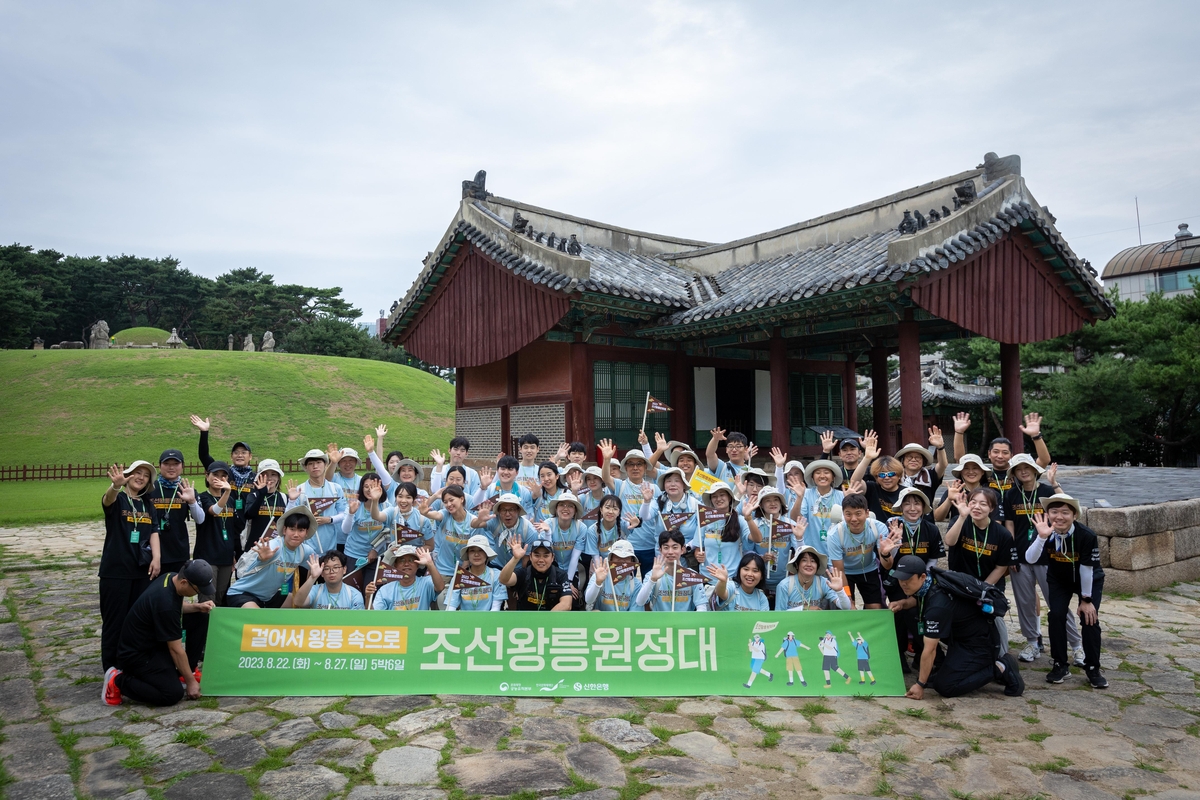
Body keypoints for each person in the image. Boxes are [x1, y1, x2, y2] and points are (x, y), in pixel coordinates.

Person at [890, 555, 1024, 699]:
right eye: (900, 579)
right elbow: (919, 599)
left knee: (945, 686)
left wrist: (920, 684)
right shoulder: (932, 579)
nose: (903, 583)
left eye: (908, 580)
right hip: (960, 636)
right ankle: (943, 666)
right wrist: (903, 603)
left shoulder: (938, 606)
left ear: (922, 576)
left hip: (978, 644)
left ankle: (1001, 667)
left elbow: (930, 649)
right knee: (910, 613)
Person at [102, 559, 216, 707]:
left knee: (200, 617)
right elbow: (175, 649)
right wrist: (191, 683)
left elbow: (176, 606)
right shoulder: (165, 604)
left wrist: (197, 607)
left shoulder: (170, 577)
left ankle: (184, 672)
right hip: (137, 656)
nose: (200, 592)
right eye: (198, 590)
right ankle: (117, 681)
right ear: (184, 582)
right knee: (172, 694)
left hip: (154, 642)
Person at [1004, 456, 1082, 665]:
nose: (1023, 472)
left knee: (1057, 603)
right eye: (1018, 469)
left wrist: (1054, 482)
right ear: (1014, 474)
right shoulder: (1010, 495)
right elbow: (1009, 526)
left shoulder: (1046, 491)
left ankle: (1076, 646)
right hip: (1021, 556)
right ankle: (1032, 641)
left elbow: (1069, 506)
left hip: (1049, 556)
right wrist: (1011, 553)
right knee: (1025, 602)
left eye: (1027, 468)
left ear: (1035, 469)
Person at [1028, 495, 1108, 689]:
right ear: (1048, 514)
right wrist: (1041, 537)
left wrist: (1086, 599)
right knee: (1056, 615)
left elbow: (1087, 569)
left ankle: (1092, 668)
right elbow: (1030, 559)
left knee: (1089, 619)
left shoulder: (1086, 535)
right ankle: (1060, 664)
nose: (1059, 517)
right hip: (1059, 579)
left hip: (1088, 580)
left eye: (1065, 512)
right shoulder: (1044, 532)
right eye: (1054, 512)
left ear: (1074, 515)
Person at [100, 461, 163, 671]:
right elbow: (107, 500)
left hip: (141, 570)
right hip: (116, 570)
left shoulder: (148, 504)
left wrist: (157, 558)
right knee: (114, 622)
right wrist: (115, 486)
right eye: (138, 472)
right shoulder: (118, 498)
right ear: (128, 475)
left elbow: (154, 531)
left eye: (146, 475)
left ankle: (131, 662)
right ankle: (111, 669)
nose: (141, 477)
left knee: (137, 620)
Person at [882, 487, 945, 670]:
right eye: (907, 503)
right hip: (897, 579)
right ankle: (898, 654)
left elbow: (933, 558)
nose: (912, 508)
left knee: (920, 616)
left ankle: (921, 655)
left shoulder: (931, 529)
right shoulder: (891, 526)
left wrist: (923, 580)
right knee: (898, 616)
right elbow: (887, 560)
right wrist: (895, 542)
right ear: (900, 507)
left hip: (922, 581)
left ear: (923, 507)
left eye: (917, 503)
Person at [952, 411, 1052, 521]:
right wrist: (959, 432)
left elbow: (1044, 460)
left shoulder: (1019, 473)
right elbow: (960, 460)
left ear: (1011, 455)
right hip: (991, 519)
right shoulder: (983, 475)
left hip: (1015, 520)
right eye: (996, 452)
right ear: (989, 454)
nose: (1000, 456)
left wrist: (1036, 436)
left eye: (1005, 452)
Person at [225, 507, 320, 608]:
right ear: (284, 530)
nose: (296, 534)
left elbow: (319, 566)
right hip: (243, 593)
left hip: (269, 597)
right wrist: (261, 559)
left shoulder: (305, 551)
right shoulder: (272, 547)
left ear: (306, 532)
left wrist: (313, 577)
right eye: (292, 529)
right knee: (257, 618)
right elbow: (247, 568)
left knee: (303, 603)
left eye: (301, 530)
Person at [824, 493, 901, 609]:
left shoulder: (878, 528)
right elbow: (839, 571)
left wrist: (885, 554)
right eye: (848, 514)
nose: (853, 519)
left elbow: (887, 565)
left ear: (866, 513)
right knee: (848, 609)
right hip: (845, 572)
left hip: (869, 569)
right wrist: (848, 599)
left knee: (875, 608)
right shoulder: (834, 535)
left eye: (858, 513)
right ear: (843, 514)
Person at [192, 414, 256, 531]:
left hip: (247, 527)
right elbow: (204, 456)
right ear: (231, 456)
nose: (240, 455)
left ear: (250, 456)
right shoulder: (224, 473)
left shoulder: (256, 478)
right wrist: (204, 433)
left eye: (243, 452)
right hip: (225, 523)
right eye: (236, 452)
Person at [693, 481, 762, 580]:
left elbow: (758, 539)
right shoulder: (705, 519)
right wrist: (698, 555)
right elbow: (698, 547)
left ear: (729, 498)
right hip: (707, 577)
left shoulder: (739, 519)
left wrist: (748, 517)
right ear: (711, 500)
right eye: (714, 496)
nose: (718, 499)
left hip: (731, 578)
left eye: (722, 495)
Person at [148, 448, 203, 573]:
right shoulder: (150, 488)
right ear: (159, 466)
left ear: (182, 466)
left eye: (175, 464)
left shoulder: (187, 490)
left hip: (178, 549)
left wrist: (192, 501)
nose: (171, 467)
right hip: (153, 551)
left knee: (176, 590)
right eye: (166, 464)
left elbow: (200, 519)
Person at [286, 449, 347, 554]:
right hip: (305, 547)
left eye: (318, 462)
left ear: (326, 464)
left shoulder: (335, 489)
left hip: (330, 546)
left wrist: (329, 519)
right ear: (306, 467)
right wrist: (291, 500)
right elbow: (288, 517)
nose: (315, 466)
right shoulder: (300, 490)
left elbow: (344, 513)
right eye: (310, 464)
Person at [193, 461, 238, 602]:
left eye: (223, 476)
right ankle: (203, 624)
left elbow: (232, 529)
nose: (219, 478)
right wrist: (227, 491)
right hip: (208, 556)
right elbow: (214, 511)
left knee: (221, 597)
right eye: (215, 475)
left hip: (226, 556)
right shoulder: (202, 497)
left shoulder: (231, 501)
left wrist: (233, 554)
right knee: (208, 598)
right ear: (207, 476)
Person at [636, 529, 710, 611]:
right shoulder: (652, 575)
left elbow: (701, 607)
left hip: (685, 623)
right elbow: (640, 602)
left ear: (682, 550)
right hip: (660, 623)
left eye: (675, 547)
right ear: (660, 550)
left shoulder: (692, 575)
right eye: (666, 547)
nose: (670, 552)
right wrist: (652, 580)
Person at [420, 485, 476, 582]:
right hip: (443, 570)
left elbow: (474, 546)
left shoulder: (472, 520)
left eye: (451, 500)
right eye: (445, 502)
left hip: (464, 570)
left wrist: (466, 562)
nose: (448, 504)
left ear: (461, 499)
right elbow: (436, 515)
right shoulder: (445, 514)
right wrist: (426, 513)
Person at [499, 538, 573, 611]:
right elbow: (504, 580)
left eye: (546, 556)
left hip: (550, 620)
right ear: (530, 557)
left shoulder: (561, 575)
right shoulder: (523, 573)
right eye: (537, 555)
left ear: (552, 557)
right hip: (525, 620)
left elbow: (566, 604)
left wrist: (545, 621)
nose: (541, 560)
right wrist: (515, 558)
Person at [366, 545, 445, 610]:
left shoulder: (425, 583)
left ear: (417, 564)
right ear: (395, 565)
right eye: (402, 560)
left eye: (411, 560)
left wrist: (430, 564)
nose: (406, 564)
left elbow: (440, 587)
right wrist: (368, 597)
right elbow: (373, 617)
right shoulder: (385, 590)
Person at [775, 545, 851, 611]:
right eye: (804, 560)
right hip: (791, 626)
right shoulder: (784, 586)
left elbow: (846, 607)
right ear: (797, 565)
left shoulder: (823, 582)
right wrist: (804, 609)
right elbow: (779, 613)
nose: (809, 564)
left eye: (813, 561)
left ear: (817, 566)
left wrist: (840, 591)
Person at [471, 492, 537, 566]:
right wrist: (479, 519)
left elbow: (526, 560)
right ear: (499, 511)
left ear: (518, 511)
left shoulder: (529, 531)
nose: (507, 514)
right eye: (503, 510)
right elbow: (474, 525)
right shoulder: (495, 520)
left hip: (516, 569)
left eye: (511, 509)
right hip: (496, 565)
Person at [850, 431, 903, 521]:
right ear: (876, 477)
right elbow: (855, 482)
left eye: (891, 474)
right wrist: (867, 458)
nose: (886, 477)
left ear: (899, 476)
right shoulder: (872, 488)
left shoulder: (906, 492)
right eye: (881, 474)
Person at [445, 535, 508, 611]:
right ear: (467, 554)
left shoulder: (496, 575)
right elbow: (451, 607)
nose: (476, 554)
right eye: (472, 551)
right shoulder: (459, 576)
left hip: (488, 621)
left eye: (481, 550)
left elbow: (495, 608)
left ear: (487, 553)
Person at [796, 459, 844, 555]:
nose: (822, 476)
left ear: (833, 477)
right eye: (818, 473)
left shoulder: (841, 495)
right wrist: (799, 498)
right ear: (813, 477)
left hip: (835, 550)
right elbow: (797, 518)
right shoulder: (806, 493)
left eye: (826, 472)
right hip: (811, 549)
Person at [893, 429, 948, 507]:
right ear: (902, 460)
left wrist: (940, 447)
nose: (913, 460)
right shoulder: (895, 476)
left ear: (923, 461)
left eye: (918, 457)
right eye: (909, 457)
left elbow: (943, 465)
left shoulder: (930, 475)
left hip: (925, 517)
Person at [585, 539, 644, 612]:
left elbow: (634, 613)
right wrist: (598, 583)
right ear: (611, 558)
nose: (622, 560)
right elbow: (588, 600)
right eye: (618, 556)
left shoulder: (636, 585)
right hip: (600, 621)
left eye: (626, 558)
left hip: (624, 622)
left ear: (632, 561)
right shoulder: (599, 575)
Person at [294, 549, 365, 609]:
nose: (331, 571)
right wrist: (313, 577)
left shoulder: (354, 595)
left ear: (344, 569)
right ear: (322, 573)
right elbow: (298, 602)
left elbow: (357, 621)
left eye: (336, 567)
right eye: (327, 568)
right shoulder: (316, 590)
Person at [243, 459, 287, 550]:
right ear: (259, 477)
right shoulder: (253, 496)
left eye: (273, 474)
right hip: (255, 547)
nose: (270, 478)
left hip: (278, 547)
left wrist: (294, 501)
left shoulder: (285, 498)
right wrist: (262, 494)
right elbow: (249, 515)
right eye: (265, 474)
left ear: (278, 477)